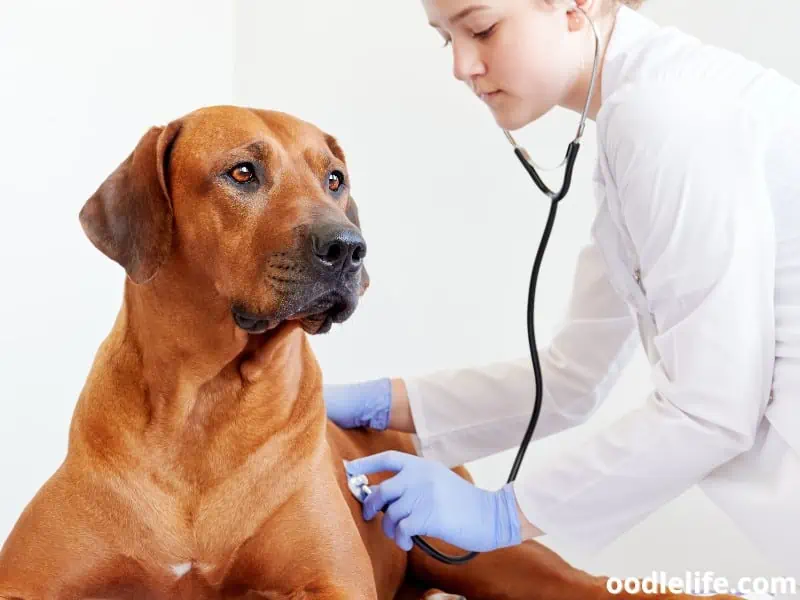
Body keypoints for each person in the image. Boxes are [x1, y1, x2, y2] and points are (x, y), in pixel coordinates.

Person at [327, 0, 800, 586]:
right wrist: (376, 403)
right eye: (445, 38)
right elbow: (574, 376)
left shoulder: (668, 115)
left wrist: (502, 514)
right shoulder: (644, 118)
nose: (461, 66)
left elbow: (713, 409)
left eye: (481, 28)